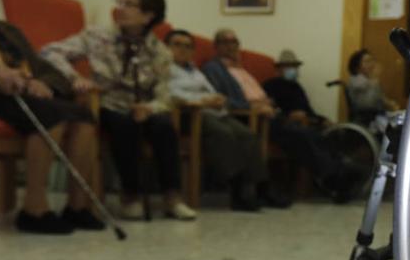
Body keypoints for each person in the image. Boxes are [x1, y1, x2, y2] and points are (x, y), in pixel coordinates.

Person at [0, 0, 101, 234]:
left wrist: (43, 82)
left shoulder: (7, 29)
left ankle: (77, 207)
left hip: (20, 97)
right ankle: (34, 210)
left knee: (82, 116)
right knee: (50, 114)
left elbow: (45, 67)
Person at [41, 0, 196, 221]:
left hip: (144, 107)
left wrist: (149, 108)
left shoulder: (161, 52)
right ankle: (130, 194)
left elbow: (164, 96)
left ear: (148, 15)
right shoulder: (96, 36)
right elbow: (50, 52)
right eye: (119, 2)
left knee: (164, 126)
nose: (119, 8)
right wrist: (75, 77)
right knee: (123, 124)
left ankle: (172, 196)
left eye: (128, 4)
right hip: (107, 103)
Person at [201, 32, 358, 202]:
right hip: (248, 116)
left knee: (310, 133)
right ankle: (335, 178)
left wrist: (268, 104)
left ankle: (338, 174)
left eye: (234, 42)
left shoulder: (241, 69)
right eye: (226, 42)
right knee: (296, 134)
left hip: (269, 111)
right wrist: (253, 107)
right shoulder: (213, 68)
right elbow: (220, 97)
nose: (231, 46)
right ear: (216, 46)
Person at [164, 30, 288, 211]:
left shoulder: (195, 71)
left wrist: (217, 98)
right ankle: (236, 192)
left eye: (188, 46)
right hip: (187, 115)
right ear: (165, 48)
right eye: (177, 44)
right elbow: (168, 93)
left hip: (213, 111)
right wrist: (200, 101)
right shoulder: (162, 68)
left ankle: (261, 188)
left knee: (247, 135)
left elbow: (209, 90)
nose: (183, 49)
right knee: (224, 134)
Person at [345, 49, 390, 121]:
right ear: (357, 65)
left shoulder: (369, 80)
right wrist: (374, 79)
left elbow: (380, 98)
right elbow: (369, 103)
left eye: (372, 61)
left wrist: (390, 103)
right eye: (367, 61)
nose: (371, 64)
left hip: (375, 115)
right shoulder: (356, 80)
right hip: (366, 118)